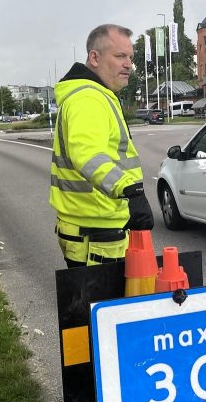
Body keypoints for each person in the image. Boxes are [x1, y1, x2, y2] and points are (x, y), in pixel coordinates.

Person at [49, 24, 154, 268]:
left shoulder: (96, 94)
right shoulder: (88, 98)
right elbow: (87, 155)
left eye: (130, 57)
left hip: (95, 225)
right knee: (102, 306)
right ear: (94, 58)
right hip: (95, 231)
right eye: (120, 56)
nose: (128, 64)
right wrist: (130, 191)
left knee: (98, 306)